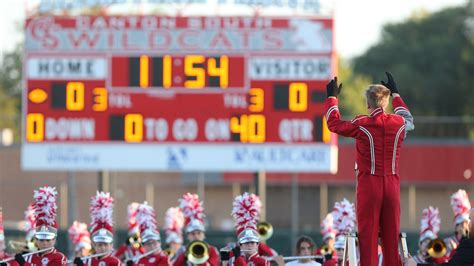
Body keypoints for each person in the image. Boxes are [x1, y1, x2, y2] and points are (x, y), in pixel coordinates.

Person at [324, 72, 414, 266]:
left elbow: (333, 124)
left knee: (368, 239)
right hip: (392, 185)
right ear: (386, 102)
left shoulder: (362, 123)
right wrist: (397, 94)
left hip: (369, 185)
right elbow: (408, 118)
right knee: (391, 239)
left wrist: (332, 98)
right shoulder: (399, 123)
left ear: (368, 104)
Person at [14, 186, 67, 265]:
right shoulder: (29, 257)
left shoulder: (59, 257)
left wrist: (24, 264)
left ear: (54, 240)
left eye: (48, 240)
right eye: (41, 240)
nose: (45, 243)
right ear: (36, 240)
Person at [225, 192, 274, 266]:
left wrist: (238, 258)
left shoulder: (263, 262)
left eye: (252, 242)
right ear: (240, 245)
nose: (249, 245)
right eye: (246, 243)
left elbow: (272, 254)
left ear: (257, 245)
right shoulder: (233, 258)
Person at [74, 191, 122, 266]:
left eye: (106, 245)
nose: (103, 248)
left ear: (111, 245)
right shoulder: (87, 260)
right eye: (99, 245)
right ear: (94, 245)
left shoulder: (115, 262)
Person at [172, 193, 219, 266]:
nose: (196, 236)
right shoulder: (182, 250)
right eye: (193, 233)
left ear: (203, 235)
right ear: (188, 236)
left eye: (199, 233)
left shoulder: (212, 250)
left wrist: (199, 258)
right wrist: (184, 256)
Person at [444, 190, 471, 259]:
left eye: (466, 223)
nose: (464, 226)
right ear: (456, 227)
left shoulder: (471, 240)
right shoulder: (448, 241)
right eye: (461, 224)